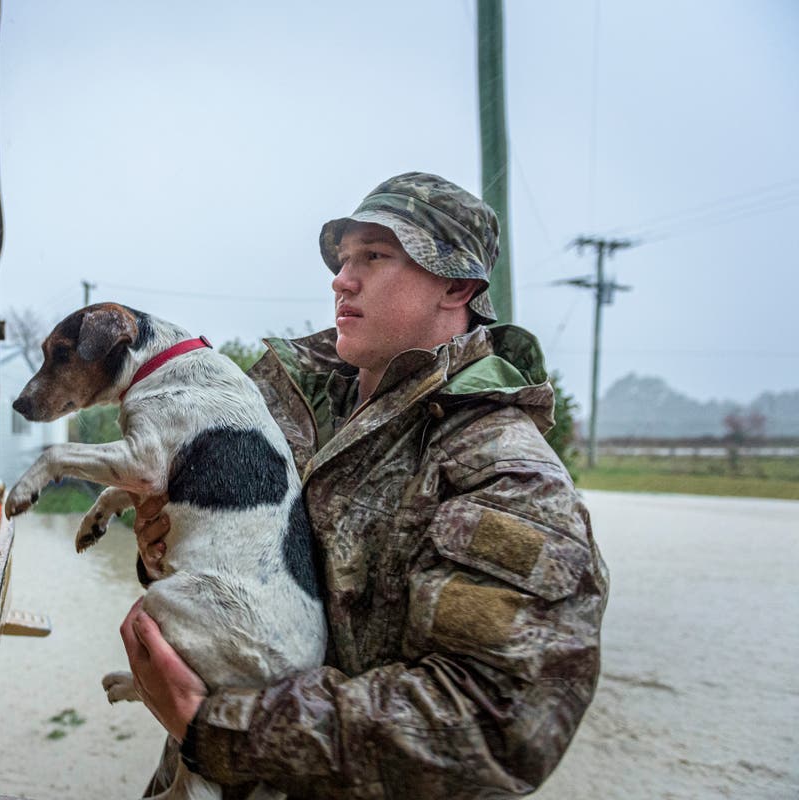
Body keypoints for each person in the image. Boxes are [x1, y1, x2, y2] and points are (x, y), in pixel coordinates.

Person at [121, 172, 609, 799]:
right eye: (343, 258)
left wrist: (216, 727)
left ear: (457, 285)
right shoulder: (274, 402)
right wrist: (162, 547)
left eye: (374, 257)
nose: (341, 280)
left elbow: (491, 720)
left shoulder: (504, 470)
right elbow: (218, 561)